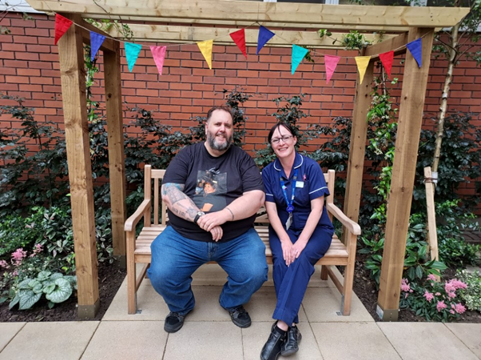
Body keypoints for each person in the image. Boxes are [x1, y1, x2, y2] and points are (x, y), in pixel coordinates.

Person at [147, 105, 268, 333]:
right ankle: (180, 306)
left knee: (254, 273)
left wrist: (222, 216)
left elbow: (256, 197)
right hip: (184, 236)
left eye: (228, 125)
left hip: (235, 238)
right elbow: (169, 192)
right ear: (206, 128)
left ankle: (231, 302)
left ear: (232, 131)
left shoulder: (242, 159)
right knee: (161, 274)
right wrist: (201, 218)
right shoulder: (188, 155)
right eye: (218, 124)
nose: (222, 129)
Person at [260, 122, 334, 359]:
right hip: (283, 228)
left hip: (315, 229)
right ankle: (293, 328)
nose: (281, 142)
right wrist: (284, 239)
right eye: (275, 139)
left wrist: (300, 242)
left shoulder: (310, 167)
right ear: (272, 146)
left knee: (299, 259)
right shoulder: (268, 172)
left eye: (285, 137)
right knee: (282, 260)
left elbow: (317, 209)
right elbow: (271, 211)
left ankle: (280, 328)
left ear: (294, 140)